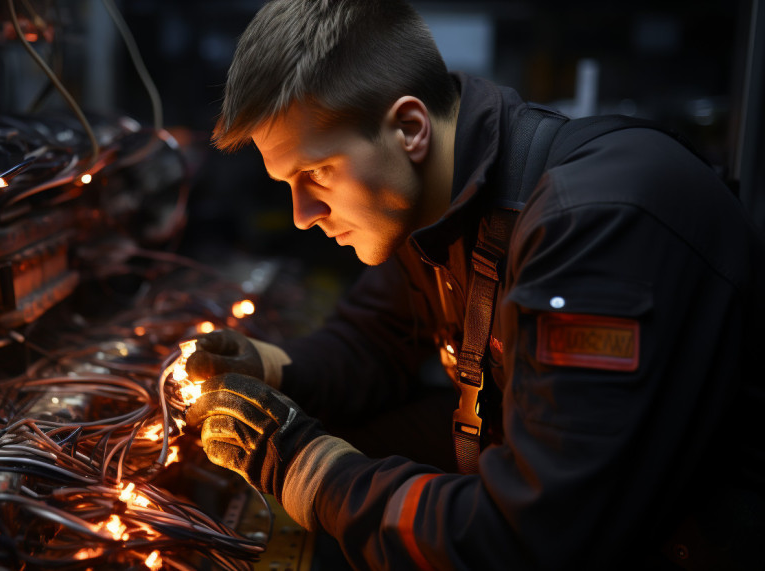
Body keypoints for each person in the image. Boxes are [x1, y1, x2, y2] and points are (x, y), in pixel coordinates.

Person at [182, 0, 765, 569]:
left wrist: (304, 469)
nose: (301, 215)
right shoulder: (435, 203)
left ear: (410, 128)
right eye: (287, 183)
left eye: (316, 172)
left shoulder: (592, 226)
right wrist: (264, 369)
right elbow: (374, 341)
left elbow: (536, 537)